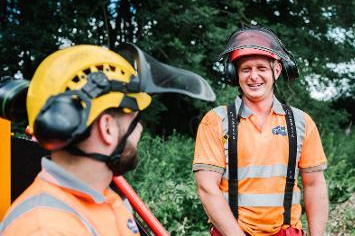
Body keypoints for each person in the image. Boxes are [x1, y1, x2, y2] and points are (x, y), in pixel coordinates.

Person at [0, 44, 215, 235]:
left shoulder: (106, 199)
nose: (139, 129)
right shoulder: (46, 229)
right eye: (135, 118)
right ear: (107, 128)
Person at [193, 26, 328, 236]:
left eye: (261, 68)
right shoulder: (216, 121)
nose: (253, 76)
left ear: (276, 70)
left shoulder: (301, 122)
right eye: (246, 69)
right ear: (234, 74)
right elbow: (206, 187)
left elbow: (314, 185)